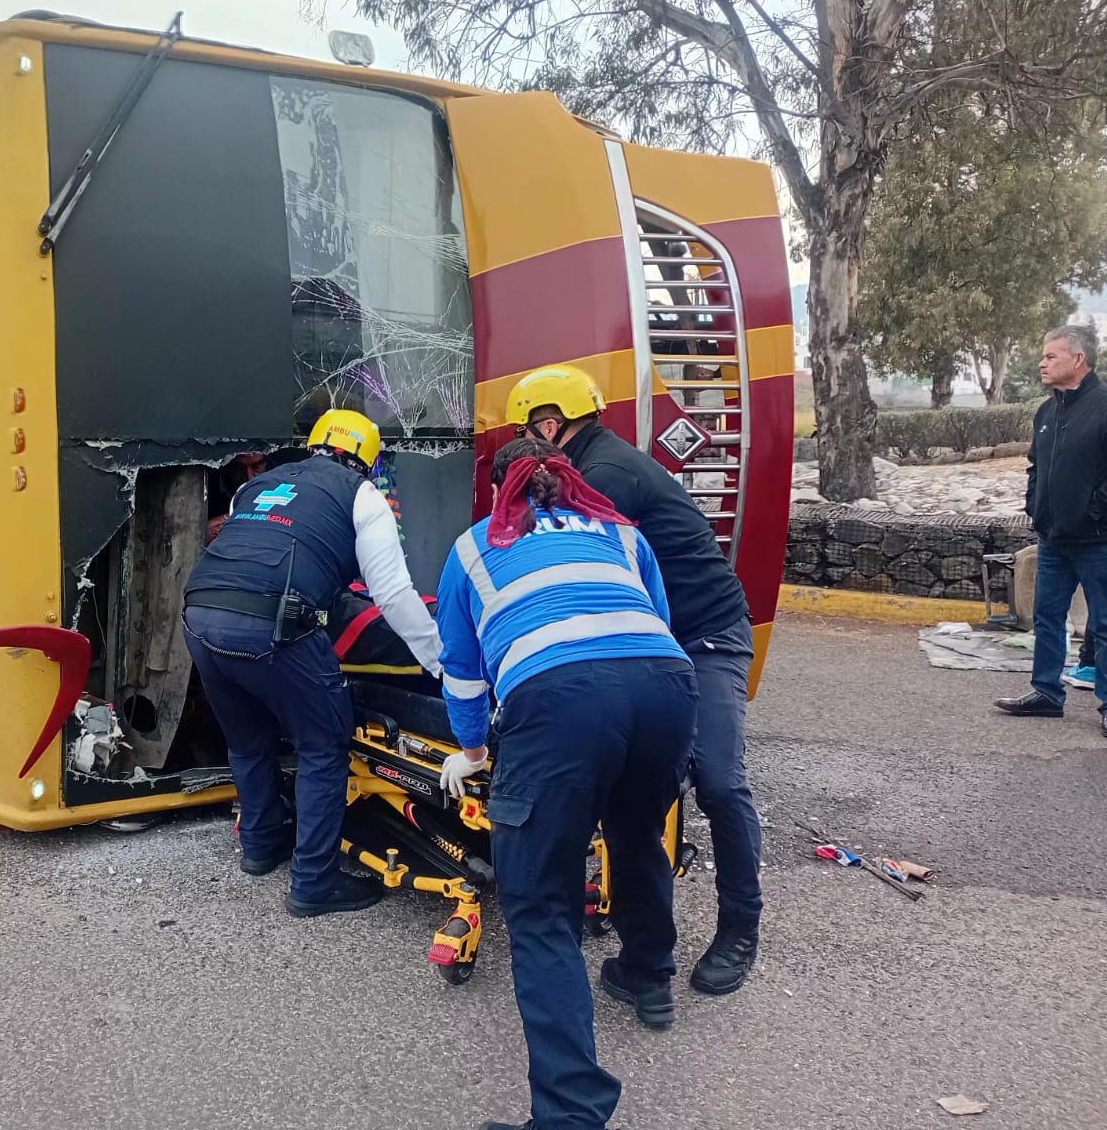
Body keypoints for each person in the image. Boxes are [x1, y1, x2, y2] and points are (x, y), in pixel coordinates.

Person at [435, 437, 696, 1130]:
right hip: (665, 687)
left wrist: (472, 750)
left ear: (500, 488)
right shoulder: (620, 532)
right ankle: (647, 974)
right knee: (636, 834)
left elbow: (462, 670)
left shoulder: (474, 547)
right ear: (567, 481)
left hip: (557, 699)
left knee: (541, 904)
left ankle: (569, 1115)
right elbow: (655, 622)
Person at [502, 363, 763, 994]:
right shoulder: (596, 464)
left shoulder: (603, 476)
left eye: (524, 435)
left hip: (703, 636)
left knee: (719, 781)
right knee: (637, 789)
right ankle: (638, 933)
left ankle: (741, 927)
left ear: (549, 426)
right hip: (652, 640)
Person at [183, 409, 442, 916]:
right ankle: (314, 884)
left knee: (247, 740)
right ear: (367, 461)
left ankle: (261, 846)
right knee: (323, 747)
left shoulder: (255, 487)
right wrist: (438, 661)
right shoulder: (362, 495)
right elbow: (392, 594)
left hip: (200, 615)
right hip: (275, 625)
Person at [994, 325, 1107, 739]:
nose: (1041, 363)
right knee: (1047, 617)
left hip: (1099, 541)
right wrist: (1036, 507)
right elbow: (1035, 466)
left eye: (1051, 356)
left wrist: (1090, 514)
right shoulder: (1047, 411)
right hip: (1052, 539)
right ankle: (1046, 692)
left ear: (1078, 359)